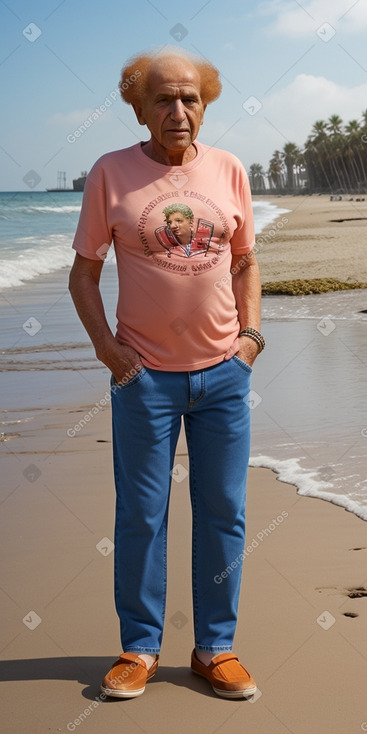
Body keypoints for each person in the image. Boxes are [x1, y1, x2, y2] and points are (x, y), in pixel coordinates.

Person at [69, 47, 265, 700]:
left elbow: (243, 261)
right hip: (142, 379)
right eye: (163, 99)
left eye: (190, 98)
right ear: (139, 107)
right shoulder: (111, 174)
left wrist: (250, 337)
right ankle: (139, 648)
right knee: (142, 516)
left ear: (204, 103)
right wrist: (108, 349)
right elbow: (85, 271)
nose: (178, 111)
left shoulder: (228, 169)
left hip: (223, 375)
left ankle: (215, 647)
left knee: (224, 513)